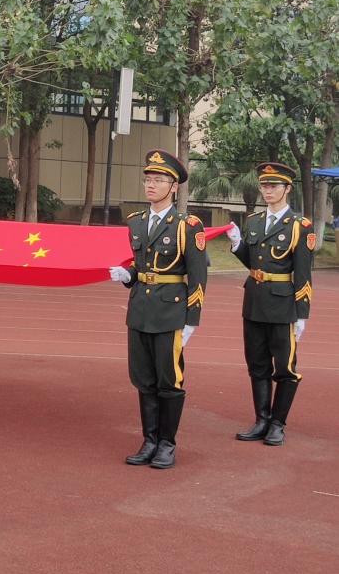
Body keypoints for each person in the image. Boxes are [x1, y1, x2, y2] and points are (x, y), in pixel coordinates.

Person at [109, 149, 207, 469]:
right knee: (143, 379)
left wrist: (191, 320)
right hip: (140, 310)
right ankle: (149, 440)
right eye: (148, 179)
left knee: (169, 380)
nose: (151, 185)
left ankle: (167, 444)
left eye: (159, 180)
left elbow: (198, 278)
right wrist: (128, 276)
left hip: (170, 313)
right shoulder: (136, 222)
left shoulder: (187, 226)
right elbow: (142, 266)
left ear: (174, 186)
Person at [226, 162, 313, 446]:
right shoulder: (253, 221)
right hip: (254, 302)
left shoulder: (299, 226)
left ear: (287, 188)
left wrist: (302, 314)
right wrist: (238, 245)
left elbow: (303, 274)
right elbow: (253, 263)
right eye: (264, 185)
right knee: (257, 365)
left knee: (285, 368)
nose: (268, 191)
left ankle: (277, 423)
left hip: (283, 306)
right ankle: (261, 420)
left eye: (273, 186)